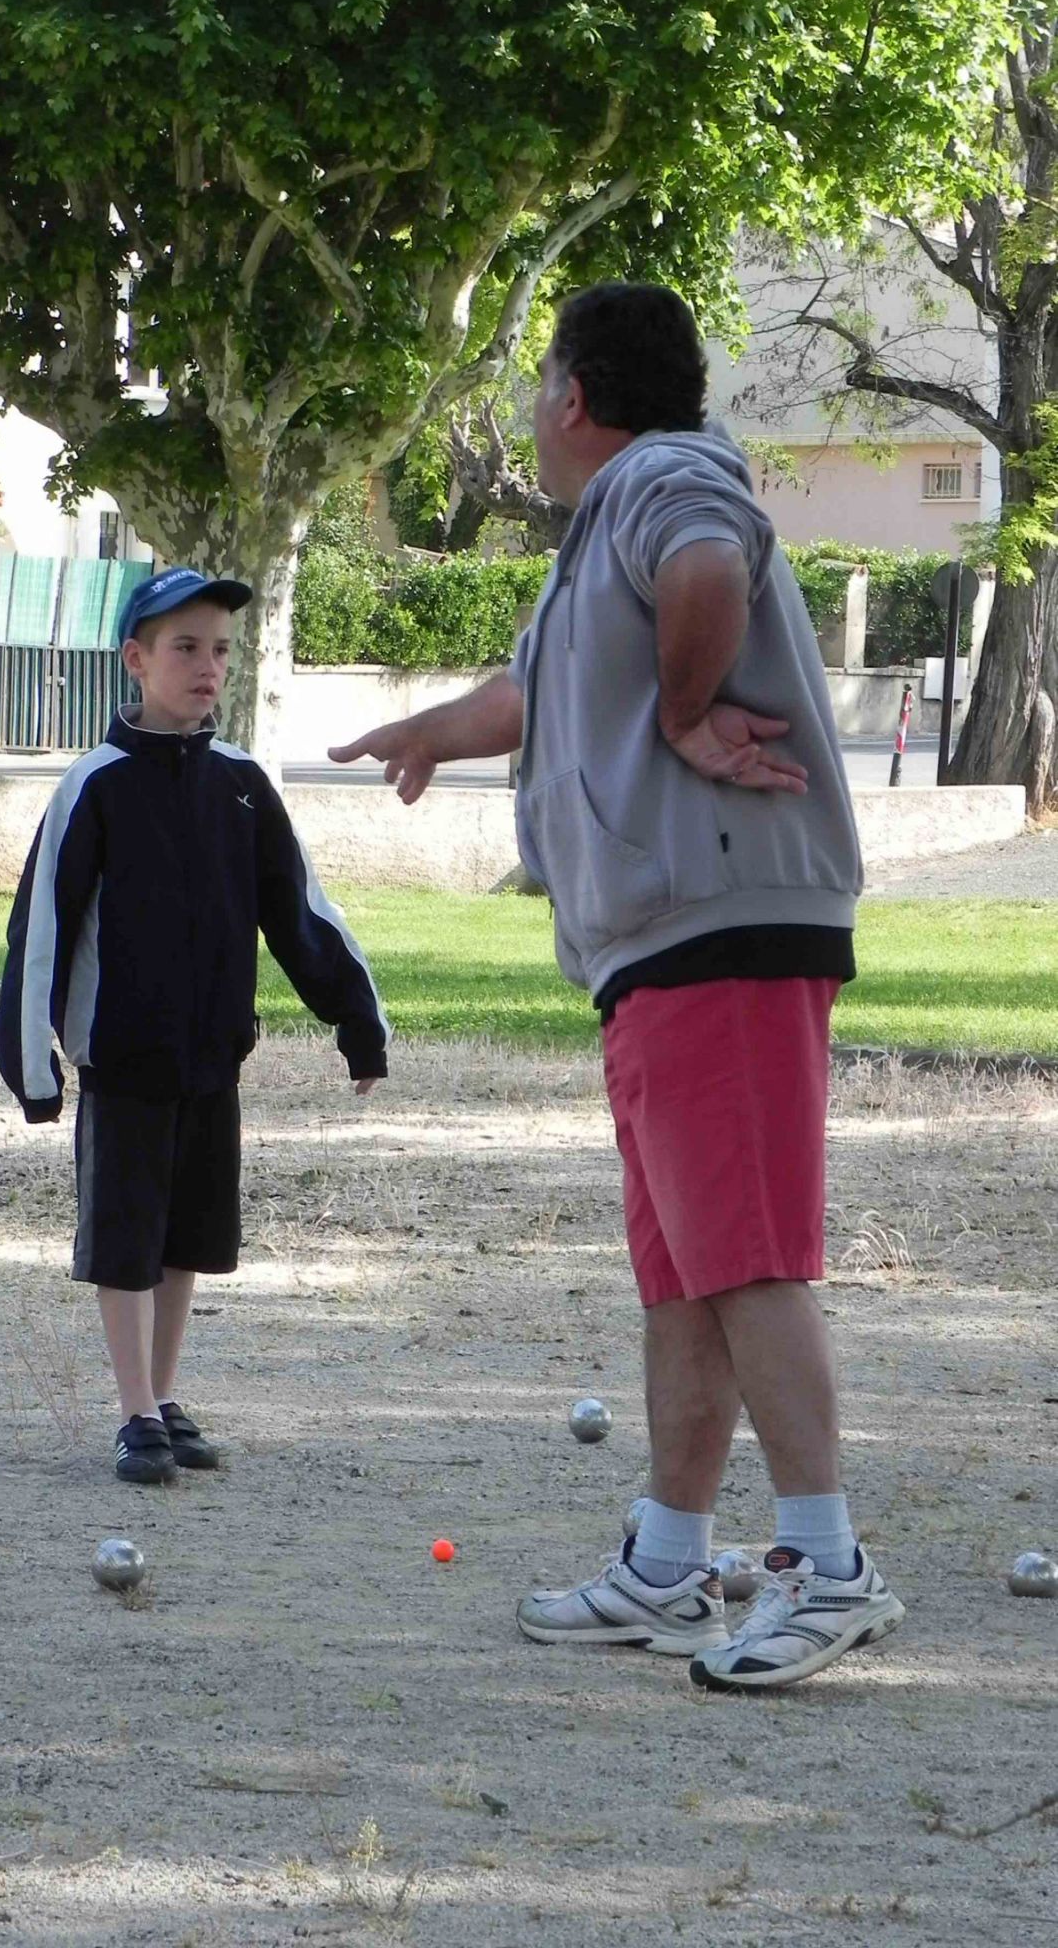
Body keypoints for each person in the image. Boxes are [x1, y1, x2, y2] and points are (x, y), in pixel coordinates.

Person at [331, 282, 903, 1692]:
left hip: (721, 925)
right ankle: (668, 1562)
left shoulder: (661, 479)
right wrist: (430, 730)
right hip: (663, 943)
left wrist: (689, 713)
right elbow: (538, 690)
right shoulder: (600, 539)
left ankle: (828, 1565)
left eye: (540, 385)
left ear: (574, 397)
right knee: (686, 1272)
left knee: (747, 1257)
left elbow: (709, 567)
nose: (535, 410)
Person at [0, 566, 389, 1484]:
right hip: (124, 1061)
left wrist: (358, 1023)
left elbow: (301, 913)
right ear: (136, 660)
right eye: (185, 648)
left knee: (186, 1242)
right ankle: (134, 1411)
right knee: (126, 1241)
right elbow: (42, 929)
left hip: (213, 1059)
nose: (207, 666)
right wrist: (33, 1064)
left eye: (219, 649)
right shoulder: (93, 786)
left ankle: (165, 1397)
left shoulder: (242, 784)